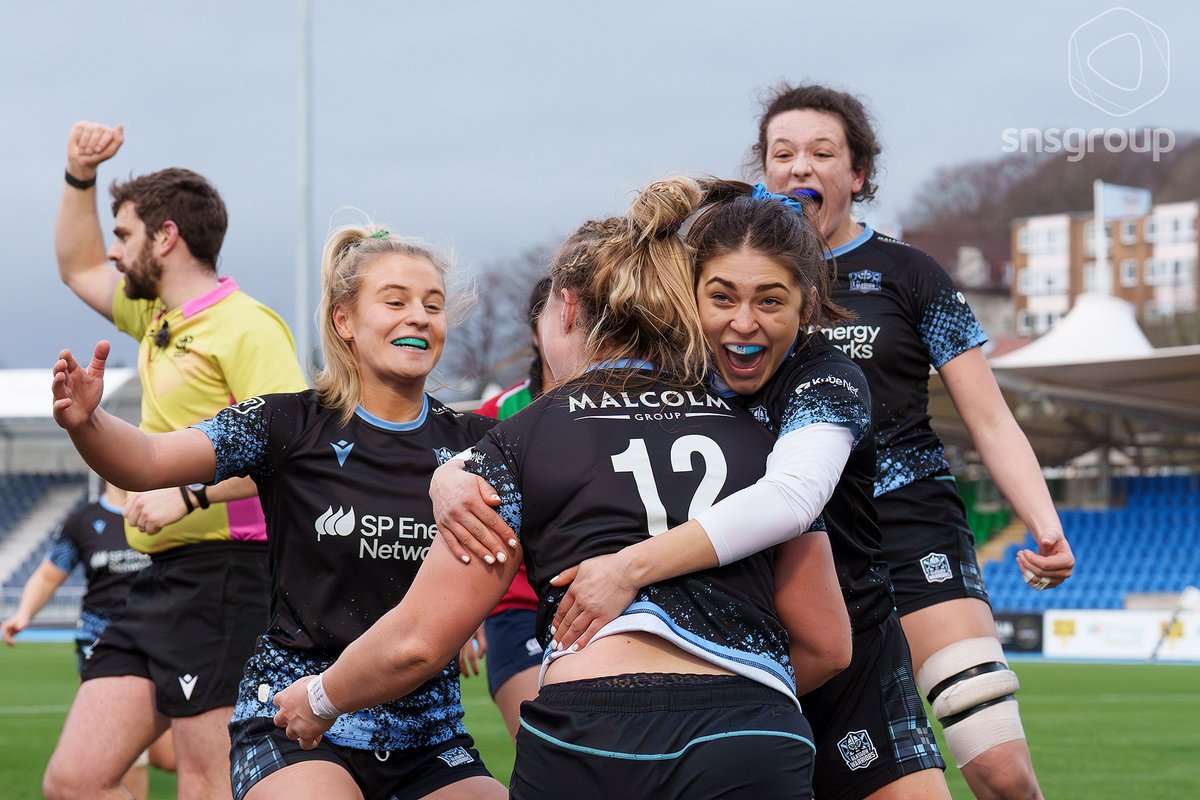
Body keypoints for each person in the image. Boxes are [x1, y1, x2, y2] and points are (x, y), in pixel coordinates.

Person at [270, 178, 850, 800]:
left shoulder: (520, 439)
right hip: (754, 739)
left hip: (595, 734)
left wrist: (321, 696)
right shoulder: (761, 429)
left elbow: (418, 642)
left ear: (567, 309)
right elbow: (827, 644)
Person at [437, 181, 951, 799]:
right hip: (727, 665)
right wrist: (452, 475)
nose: (743, 322)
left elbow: (792, 498)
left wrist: (627, 567)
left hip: (847, 647)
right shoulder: (678, 377)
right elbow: (537, 431)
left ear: (807, 304)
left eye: (770, 301)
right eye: (721, 296)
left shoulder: (825, 377)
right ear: (687, 297)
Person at [51, 222, 506, 800]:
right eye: (395, 301)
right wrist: (88, 423)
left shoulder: (482, 445)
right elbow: (146, 461)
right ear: (344, 320)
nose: (419, 316)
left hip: (430, 738)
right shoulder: (287, 422)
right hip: (293, 718)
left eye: (433, 305)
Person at [752, 83, 1075, 800]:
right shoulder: (735, 286)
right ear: (764, 171)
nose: (800, 166)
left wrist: (1044, 524)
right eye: (783, 153)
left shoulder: (910, 274)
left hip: (908, 520)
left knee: (997, 766)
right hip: (793, 540)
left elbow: (991, 417)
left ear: (857, 173)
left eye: (821, 152)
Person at [46, 120, 308, 799]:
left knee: (205, 782)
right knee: (74, 781)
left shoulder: (247, 325)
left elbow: (295, 453)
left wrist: (191, 496)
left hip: (229, 575)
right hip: (160, 578)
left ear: (166, 236)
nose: (112, 251)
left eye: (125, 235)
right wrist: (80, 175)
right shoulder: (156, 318)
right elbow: (75, 267)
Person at [2, 481, 175, 799]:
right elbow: (48, 574)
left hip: (166, 642)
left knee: (170, 757)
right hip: (103, 645)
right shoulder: (82, 521)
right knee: (124, 757)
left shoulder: (171, 510)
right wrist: (23, 614)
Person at [470, 277, 552, 739]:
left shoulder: (616, 410)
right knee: (547, 748)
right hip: (517, 608)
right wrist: (461, 618)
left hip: (602, 606)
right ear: (535, 333)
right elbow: (463, 524)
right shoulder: (497, 416)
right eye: (558, 319)